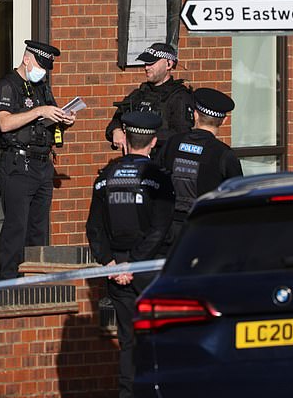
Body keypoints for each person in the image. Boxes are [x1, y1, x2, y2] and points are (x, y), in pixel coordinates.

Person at [86, 111, 174, 398]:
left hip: (116, 270)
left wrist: (111, 263)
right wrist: (133, 264)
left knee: (128, 340)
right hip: (148, 269)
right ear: (153, 142)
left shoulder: (105, 176)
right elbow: (159, 230)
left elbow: (94, 229)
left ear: (126, 140)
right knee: (157, 338)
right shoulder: (159, 179)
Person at [0, 40, 76, 280]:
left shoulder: (42, 88)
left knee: (38, 229)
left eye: (46, 67)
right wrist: (40, 111)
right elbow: (5, 123)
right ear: (27, 59)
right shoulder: (7, 86)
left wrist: (63, 119)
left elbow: (47, 123)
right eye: (40, 64)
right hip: (19, 165)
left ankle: (35, 281)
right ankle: (8, 282)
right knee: (16, 228)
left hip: (42, 164)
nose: (42, 70)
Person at [157, 87, 242, 250]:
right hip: (205, 231)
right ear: (224, 121)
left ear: (195, 115)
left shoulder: (172, 143)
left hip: (168, 231)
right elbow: (237, 199)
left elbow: (157, 180)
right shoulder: (223, 154)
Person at [106, 42, 194, 155]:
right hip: (135, 163)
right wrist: (116, 131)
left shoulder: (179, 96)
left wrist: (142, 136)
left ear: (168, 64)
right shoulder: (139, 93)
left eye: (151, 63)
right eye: (146, 63)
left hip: (162, 164)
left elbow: (182, 135)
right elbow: (116, 120)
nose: (146, 67)